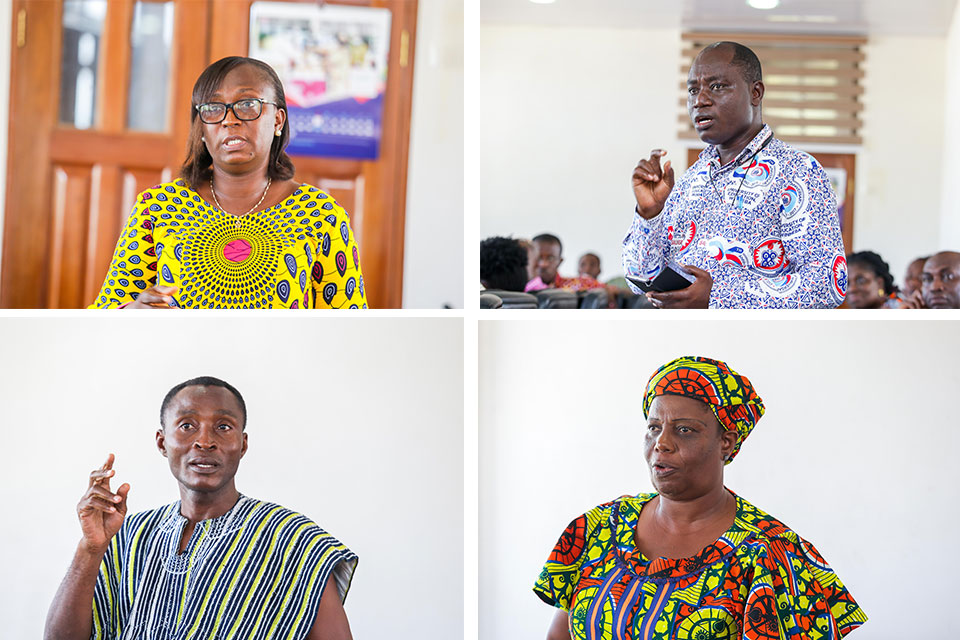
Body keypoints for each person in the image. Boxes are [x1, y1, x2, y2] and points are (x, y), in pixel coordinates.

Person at [534, 356, 866, 640]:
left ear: (726, 441)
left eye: (684, 430)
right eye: (653, 428)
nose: (661, 443)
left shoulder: (771, 554)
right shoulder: (598, 528)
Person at [44, 377, 357, 640]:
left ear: (243, 444)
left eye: (223, 427)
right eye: (187, 425)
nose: (204, 441)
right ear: (161, 442)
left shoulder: (292, 540)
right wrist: (90, 548)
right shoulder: (127, 536)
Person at [88, 56, 366, 309]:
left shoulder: (320, 215)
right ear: (202, 129)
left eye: (247, 105)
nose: (229, 120)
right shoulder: (158, 207)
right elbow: (104, 317)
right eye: (212, 108)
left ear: (278, 120)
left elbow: (349, 332)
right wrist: (133, 313)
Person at [622, 42, 847, 309]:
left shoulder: (797, 172)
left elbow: (827, 284)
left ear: (756, 92)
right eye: (693, 90)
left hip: (756, 347)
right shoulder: (688, 182)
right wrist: (649, 215)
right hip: (684, 341)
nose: (700, 100)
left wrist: (718, 299)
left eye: (717, 86)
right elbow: (639, 278)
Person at [525, 234, 605, 293]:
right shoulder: (517, 287)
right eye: (538, 257)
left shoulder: (578, 285)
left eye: (550, 258)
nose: (543, 264)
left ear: (560, 262)